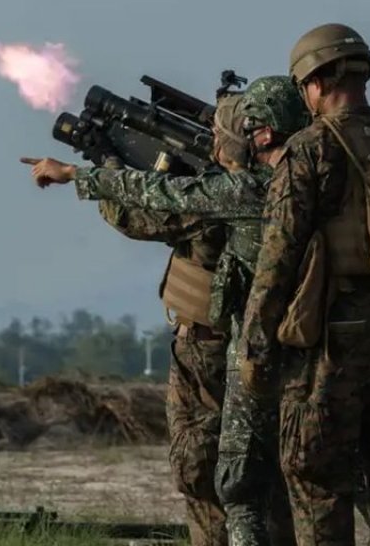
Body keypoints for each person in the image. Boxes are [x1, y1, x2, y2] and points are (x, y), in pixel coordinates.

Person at [22, 75, 309, 546]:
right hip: (270, 348)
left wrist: (95, 167)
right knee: (261, 474)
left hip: (216, 348)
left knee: (216, 473)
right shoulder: (294, 185)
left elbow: (144, 212)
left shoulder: (236, 192)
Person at [245, 23, 370, 546]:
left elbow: (278, 256)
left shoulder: (310, 149)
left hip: (340, 333)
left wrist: (255, 344)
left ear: (314, 82)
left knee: (317, 474)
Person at [94, 157, 231, 546]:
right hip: (254, 345)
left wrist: (108, 172)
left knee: (201, 465)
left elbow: (134, 215)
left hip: (209, 349)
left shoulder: (222, 192)